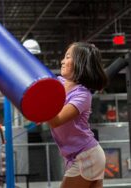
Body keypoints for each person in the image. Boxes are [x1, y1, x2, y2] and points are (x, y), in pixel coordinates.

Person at [47, 42, 108, 188]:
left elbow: (56, 120)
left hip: (86, 156)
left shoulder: (82, 95)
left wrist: (42, 107)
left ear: (79, 63)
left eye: (68, 57)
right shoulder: (57, 83)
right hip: (81, 156)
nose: (62, 61)